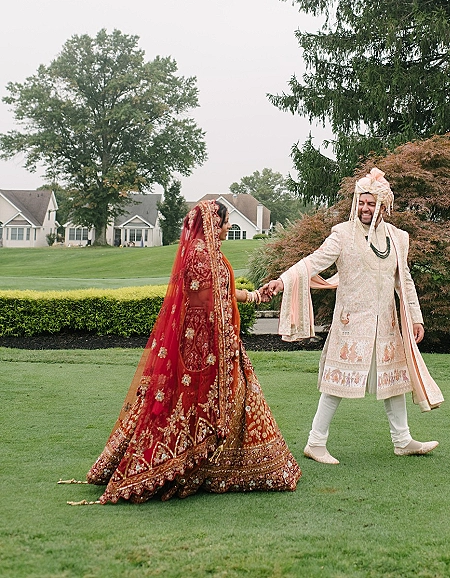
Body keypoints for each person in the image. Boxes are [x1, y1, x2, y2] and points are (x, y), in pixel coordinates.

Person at [67, 200, 300, 504]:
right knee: (209, 406)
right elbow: (204, 304)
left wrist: (254, 295)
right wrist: (221, 345)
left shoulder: (209, 253)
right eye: (226, 222)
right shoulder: (200, 257)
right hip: (207, 349)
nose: (229, 227)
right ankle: (197, 469)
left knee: (236, 402)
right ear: (214, 223)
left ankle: (220, 468)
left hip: (219, 343)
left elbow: (222, 294)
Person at [261, 167, 443, 465]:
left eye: (371, 203)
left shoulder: (398, 239)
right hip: (351, 324)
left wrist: (415, 317)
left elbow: (404, 280)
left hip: (386, 324)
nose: (364, 208)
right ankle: (315, 443)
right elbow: (314, 261)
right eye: (361, 202)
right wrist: (282, 281)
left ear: (384, 205)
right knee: (337, 383)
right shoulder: (342, 235)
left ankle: (402, 440)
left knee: (394, 381)